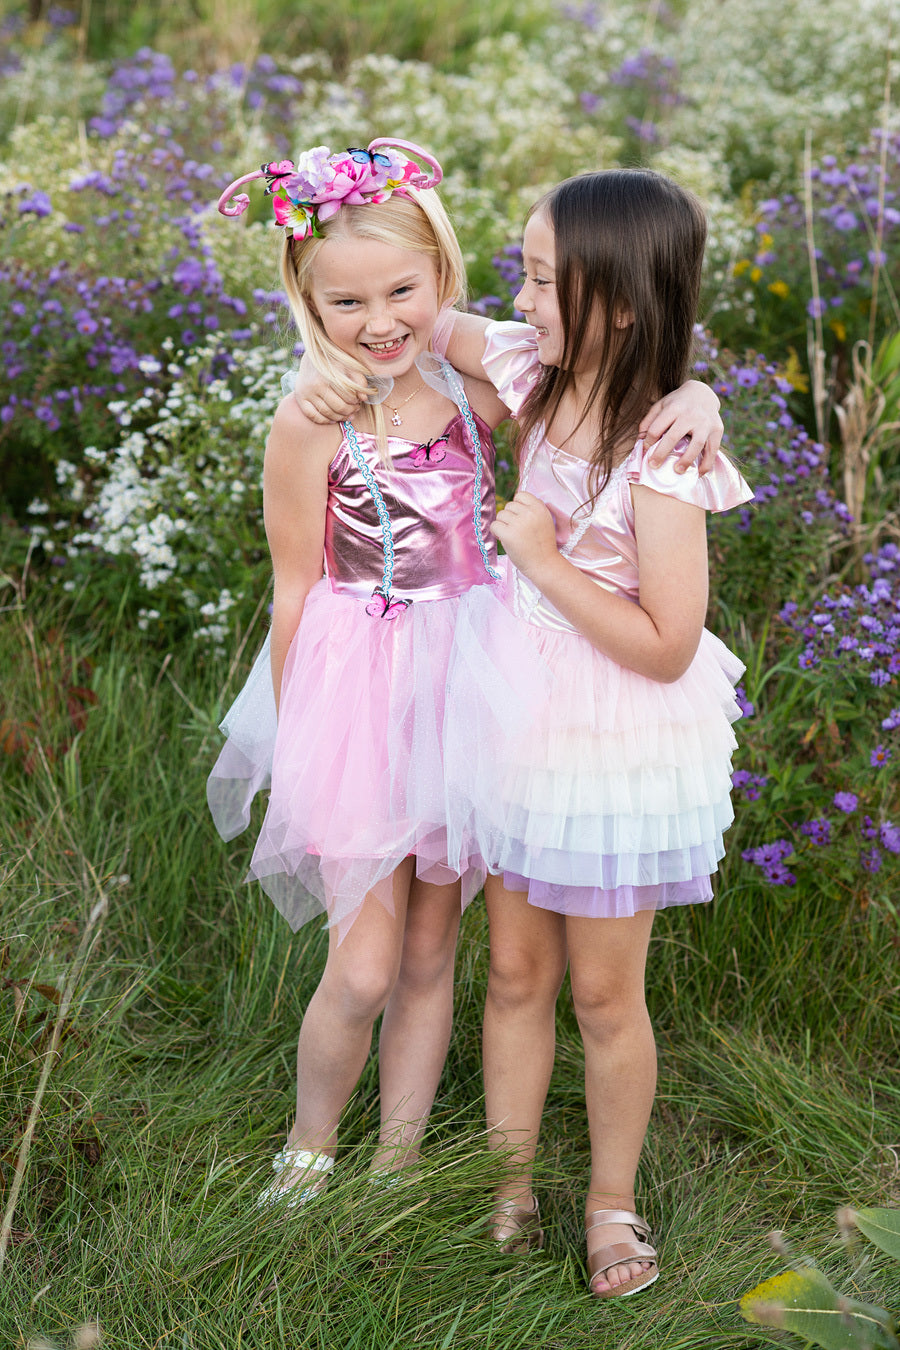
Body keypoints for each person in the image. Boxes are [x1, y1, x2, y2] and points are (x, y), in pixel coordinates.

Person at [208, 143, 726, 1208]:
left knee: (440, 947)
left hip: (471, 686)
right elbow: (293, 584)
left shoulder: (490, 389)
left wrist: (701, 392)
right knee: (363, 965)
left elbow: (594, 377)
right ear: (309, 303)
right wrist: (300, 720)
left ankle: (401, 1163)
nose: (381, 316)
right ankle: (308, 1152)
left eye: (405, 289)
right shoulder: (335, 409)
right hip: (363, 694)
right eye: (346, 300)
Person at [434, 169, 754, 1299]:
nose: (517, 298)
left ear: (618, 301)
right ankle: (507, 1184)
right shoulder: (536, 369)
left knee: (605, 996)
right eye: (518, 272)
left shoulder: (668, 455)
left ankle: (609, 1205)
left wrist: (545, 558)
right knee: (513, 971)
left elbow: (668, 642)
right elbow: (427, 312)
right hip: (518, 709)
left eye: (538, 278)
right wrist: (324, 202)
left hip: (614, 734)